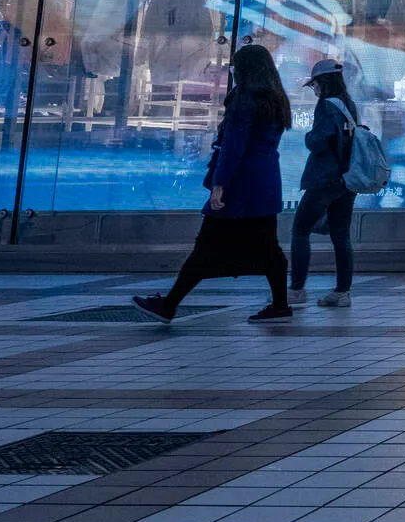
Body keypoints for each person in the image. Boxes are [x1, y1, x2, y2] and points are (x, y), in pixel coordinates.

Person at [133, 43, 293, 324]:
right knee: (269, 247)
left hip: (239, 185)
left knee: (206, 245)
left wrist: (220, 183)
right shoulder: (276, 99)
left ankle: (169, 305)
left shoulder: (245, 99)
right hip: (266, 182)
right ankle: (280, 304)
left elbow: (233, 146)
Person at [290, 58, 358, 308]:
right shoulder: (348, 104)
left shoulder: (327, 105)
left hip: (324, 178)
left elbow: (318, 141)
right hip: (346, 179)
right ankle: (342, 292)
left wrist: (308, 137)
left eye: (314, 84)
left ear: (323, 81)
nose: (314, 89)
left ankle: (296, 290)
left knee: (300, 230)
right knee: (341, 235)